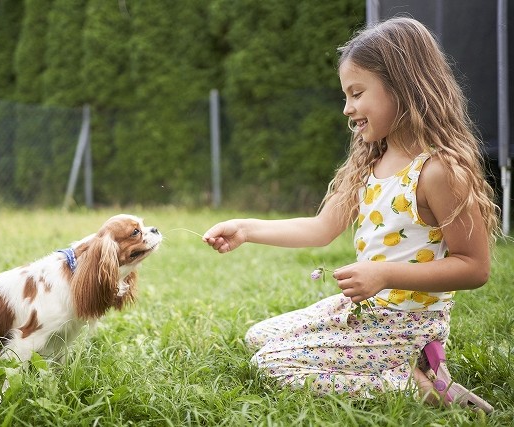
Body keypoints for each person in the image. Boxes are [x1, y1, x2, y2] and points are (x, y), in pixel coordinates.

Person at [203, 17, 501, 412]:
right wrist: (245, 228)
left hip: (404, 325)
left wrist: (384, 275)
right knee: (261, 336)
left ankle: (421, 386)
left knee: (271, 362)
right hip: (363, 312)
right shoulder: (371, 161)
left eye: (357, 93)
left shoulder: (439, 171)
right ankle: (409, 369)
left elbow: (474, 268)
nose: (348, 108)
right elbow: (320, 228)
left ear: (403, 87)